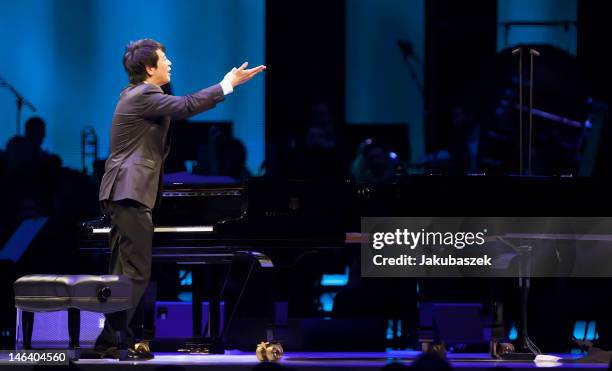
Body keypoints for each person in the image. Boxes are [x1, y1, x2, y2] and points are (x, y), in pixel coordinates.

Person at [95, 38, 265, 359]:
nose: (170, 62)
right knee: (135, 271)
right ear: (149, 68)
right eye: (164, 58)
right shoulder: (144, 94)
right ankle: (113, 340)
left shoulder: (135, 94)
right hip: (130, 191)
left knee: (124, 271)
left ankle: (112, 339)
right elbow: (186, 106)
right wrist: (226, 84)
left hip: (123, 190)